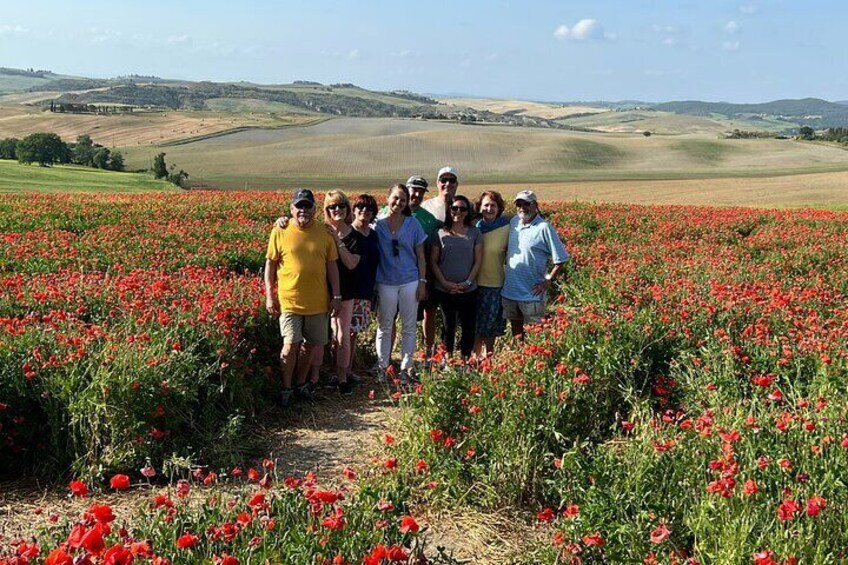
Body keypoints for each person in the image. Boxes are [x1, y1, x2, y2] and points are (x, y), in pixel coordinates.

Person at [265, 189, 341, 407]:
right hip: (289, 301)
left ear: (315, 210)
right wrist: (270, 295)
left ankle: (301, 384)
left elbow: (332, 266)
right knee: (290, 345)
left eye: (308, 206)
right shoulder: (280, 230)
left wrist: (336, 295)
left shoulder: (324, 233)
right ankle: (286, 388)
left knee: (310, 345)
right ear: (291, 209)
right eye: (299, 206)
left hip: (317, 302)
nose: (303, 211)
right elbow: (270, 265)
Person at [374, 184, 428, 381]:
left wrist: (422, 281)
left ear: (406, 203)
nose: (398, 203)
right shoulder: (377, 224)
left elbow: (421, 256)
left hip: (409, 281)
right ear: (388, 198)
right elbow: (355, 225)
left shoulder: (413, 225)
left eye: (402, 200)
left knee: (409, 326)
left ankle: (406, 368)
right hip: (385, 281)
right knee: (384, 325)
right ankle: (382, 367)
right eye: (395, 198)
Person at [501, 190, 570, 342]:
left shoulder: (544, 227)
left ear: (535, 205)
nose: (522, 207)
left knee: (536, 335)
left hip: (532, 293)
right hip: (511, 290)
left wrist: (548, 280)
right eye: (519, 204)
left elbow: (561, 258)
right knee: (516, 330)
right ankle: (519, 352)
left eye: (527, 203)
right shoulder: (514, 222)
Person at [429, 194, 482, 362]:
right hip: (445, 289)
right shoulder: (440, 233)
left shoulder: (475, 232)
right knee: (447, 325)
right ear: (449, 209)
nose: (458, 211)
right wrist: (445, 283)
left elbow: (478, 260)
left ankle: (465, 359)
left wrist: (467, 282)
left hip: (469, 289)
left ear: (468, 212)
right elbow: (433, 262)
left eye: (463, 208)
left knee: (468, 326)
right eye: (454, 208)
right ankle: (447, 358)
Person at [322, 190, 361, 395]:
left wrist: (337, 241)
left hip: (346, 291)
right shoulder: (321, 230)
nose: (337, 210)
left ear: (347, 208)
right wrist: (281, 221)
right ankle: (332, 373)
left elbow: (352, 263)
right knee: (329, 334)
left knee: (342, 333)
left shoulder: (354, 234)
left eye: (341, 206)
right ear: (326, 210)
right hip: (322, 290)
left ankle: (343, 377)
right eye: (332, 207)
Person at [472, 190, 510, 358]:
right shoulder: (474, 228)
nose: (489, 208)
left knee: (491, 324)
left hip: (496, 283)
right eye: (485, 205)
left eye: (493, 205)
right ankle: (475, 357)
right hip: (473, 283)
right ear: (479, 207)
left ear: (499, 208)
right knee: (475, 324)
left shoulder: (506, 228)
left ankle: (489, 357)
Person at [348, 193, 380, 380]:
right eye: (360, 207)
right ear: (353, 210)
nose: (364, 211)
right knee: (344, 333)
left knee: (353, 333)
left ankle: (348, 368)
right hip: (347, 290)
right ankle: (341, 370)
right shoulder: (347, 233)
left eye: (369, 209)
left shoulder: (374, 235)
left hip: (366, 290)